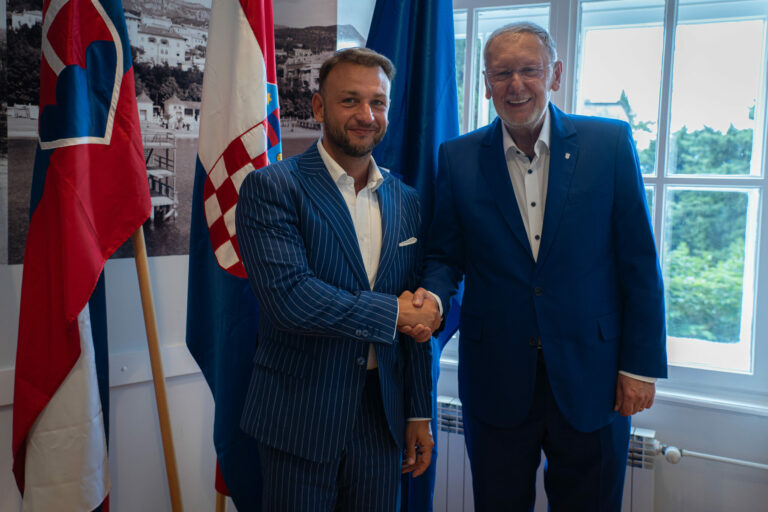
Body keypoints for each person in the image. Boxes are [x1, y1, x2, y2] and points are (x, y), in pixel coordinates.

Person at [414, 22, 667, 511]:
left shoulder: (609, 144)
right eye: (501, 73)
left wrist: (639, 366)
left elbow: (638, 261)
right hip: (496, 378)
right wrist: (434, 298)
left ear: (555, 75)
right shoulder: (458, 157)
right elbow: (445, 255)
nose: (516, 85)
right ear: (486, 84)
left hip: (594, 378)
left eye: (529, 70)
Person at [235, 48, 440, 511]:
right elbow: (291, 298)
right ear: (318, 107)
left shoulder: (407, 200)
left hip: (382, 418)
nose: (366, 115)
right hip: (299, 416)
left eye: (378, 102)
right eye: (350, 100)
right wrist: (393, 313)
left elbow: (414, 315)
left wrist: (418, 411)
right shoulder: (272, 187)